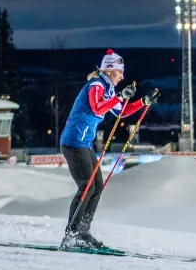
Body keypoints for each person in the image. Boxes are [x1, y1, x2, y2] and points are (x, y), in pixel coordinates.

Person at [59, 49, 158, 250]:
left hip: (83, 143)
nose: (122, 76)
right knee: (86, 186)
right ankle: (73, 234)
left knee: (97, 185)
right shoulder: (96, 85)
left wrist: (142, 102)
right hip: (73, 142)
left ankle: (82, 232)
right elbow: (97, 108)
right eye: (120, 72)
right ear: (110, 70)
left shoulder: (108, 88)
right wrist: (120, 96)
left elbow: (121, 113)